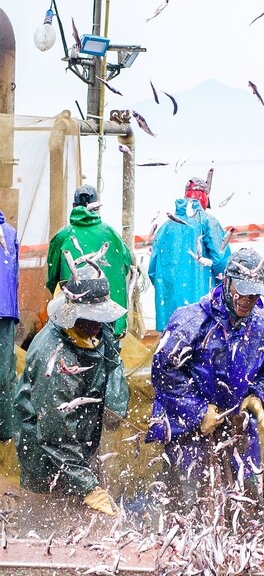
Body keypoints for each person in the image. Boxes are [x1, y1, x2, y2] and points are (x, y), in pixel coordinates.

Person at [146, 247, 264, 501]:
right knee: (191, 504)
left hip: (237, 427)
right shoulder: (191, 321)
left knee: (249, 500)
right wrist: (199, 412)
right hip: (189, 430)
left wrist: (257, 395)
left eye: (254, 294)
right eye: (241, 291)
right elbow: (163, 371)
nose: (246, 300)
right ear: (227, 281)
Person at [15, 265, 129, 516]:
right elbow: (56, 435)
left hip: (82, 438)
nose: (99, 323)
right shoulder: (53, 359)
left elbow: (113, 360)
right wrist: (88, 487)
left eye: (101, 316)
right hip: (47, 451)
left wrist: (115, 405)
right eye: (92, 317)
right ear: (72, 313)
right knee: (54, 522)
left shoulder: (98, 327)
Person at [46, 184, 133, 339]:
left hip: (75, 321)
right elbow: (126, 266)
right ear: (97, 206)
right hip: (111, 317)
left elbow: (52, 277)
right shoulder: (111, 234)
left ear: (73, 206)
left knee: (76, 359)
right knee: (110, 360)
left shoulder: (63, 236)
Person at [148, 179, 230, 332]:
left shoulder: (164, 228)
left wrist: (169, 291)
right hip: (201, 310)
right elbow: (221, 263)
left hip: (169, 314)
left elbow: (152, 271)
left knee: (173, 351)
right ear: (204, 198)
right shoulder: (207, 221)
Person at [0, 209, 19, 442]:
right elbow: (15, 274)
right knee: (5, 374)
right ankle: (7, 432)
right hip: (6, 309)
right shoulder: (10, 231)